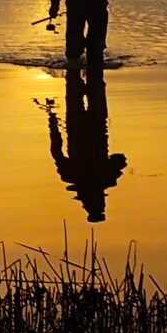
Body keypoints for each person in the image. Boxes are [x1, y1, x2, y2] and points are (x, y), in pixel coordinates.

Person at [44, 69, 127, 222]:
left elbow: (120, 158)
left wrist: (53, 123)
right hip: (84, 125)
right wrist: (52, 123)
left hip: (93, 124)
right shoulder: (75, 177)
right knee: (84, 76)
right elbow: (56, 151)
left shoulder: (106, 178)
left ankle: (77, 61)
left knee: (80, 76)